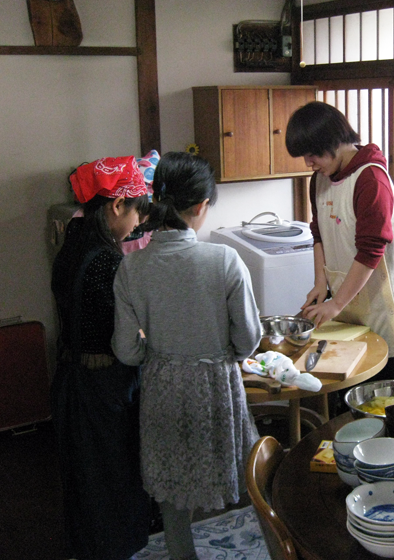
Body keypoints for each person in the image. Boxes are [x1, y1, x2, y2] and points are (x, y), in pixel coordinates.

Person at [112, 152, 262, 560]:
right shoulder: (224, 260)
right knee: (247, 470)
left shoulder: (131, 267)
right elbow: (248, 339)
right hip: (216, 385)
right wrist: (222, 352)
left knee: (171, 484)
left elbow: (125, 350)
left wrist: (159, 354)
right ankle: (272, 540)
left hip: (162, 386)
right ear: (201, 206)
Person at [51, 155, 152, 560]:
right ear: (117, 205)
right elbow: (126, 335)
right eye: (136, 213)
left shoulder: (72, 242)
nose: (137, 224)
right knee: (113, 478)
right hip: (102, 386)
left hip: (70, 378)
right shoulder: (107, 261)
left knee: (85, 479)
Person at [285, 101, 394, 382]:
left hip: (384, 312)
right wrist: (321, 284)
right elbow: (319, 234)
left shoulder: (370, 178)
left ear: (333, 142)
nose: (309, 163)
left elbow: (371, 250)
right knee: (345, 389)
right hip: (349, 310)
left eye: (313, 155)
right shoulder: (319, 179)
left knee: (382, 399)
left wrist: (336, 304)